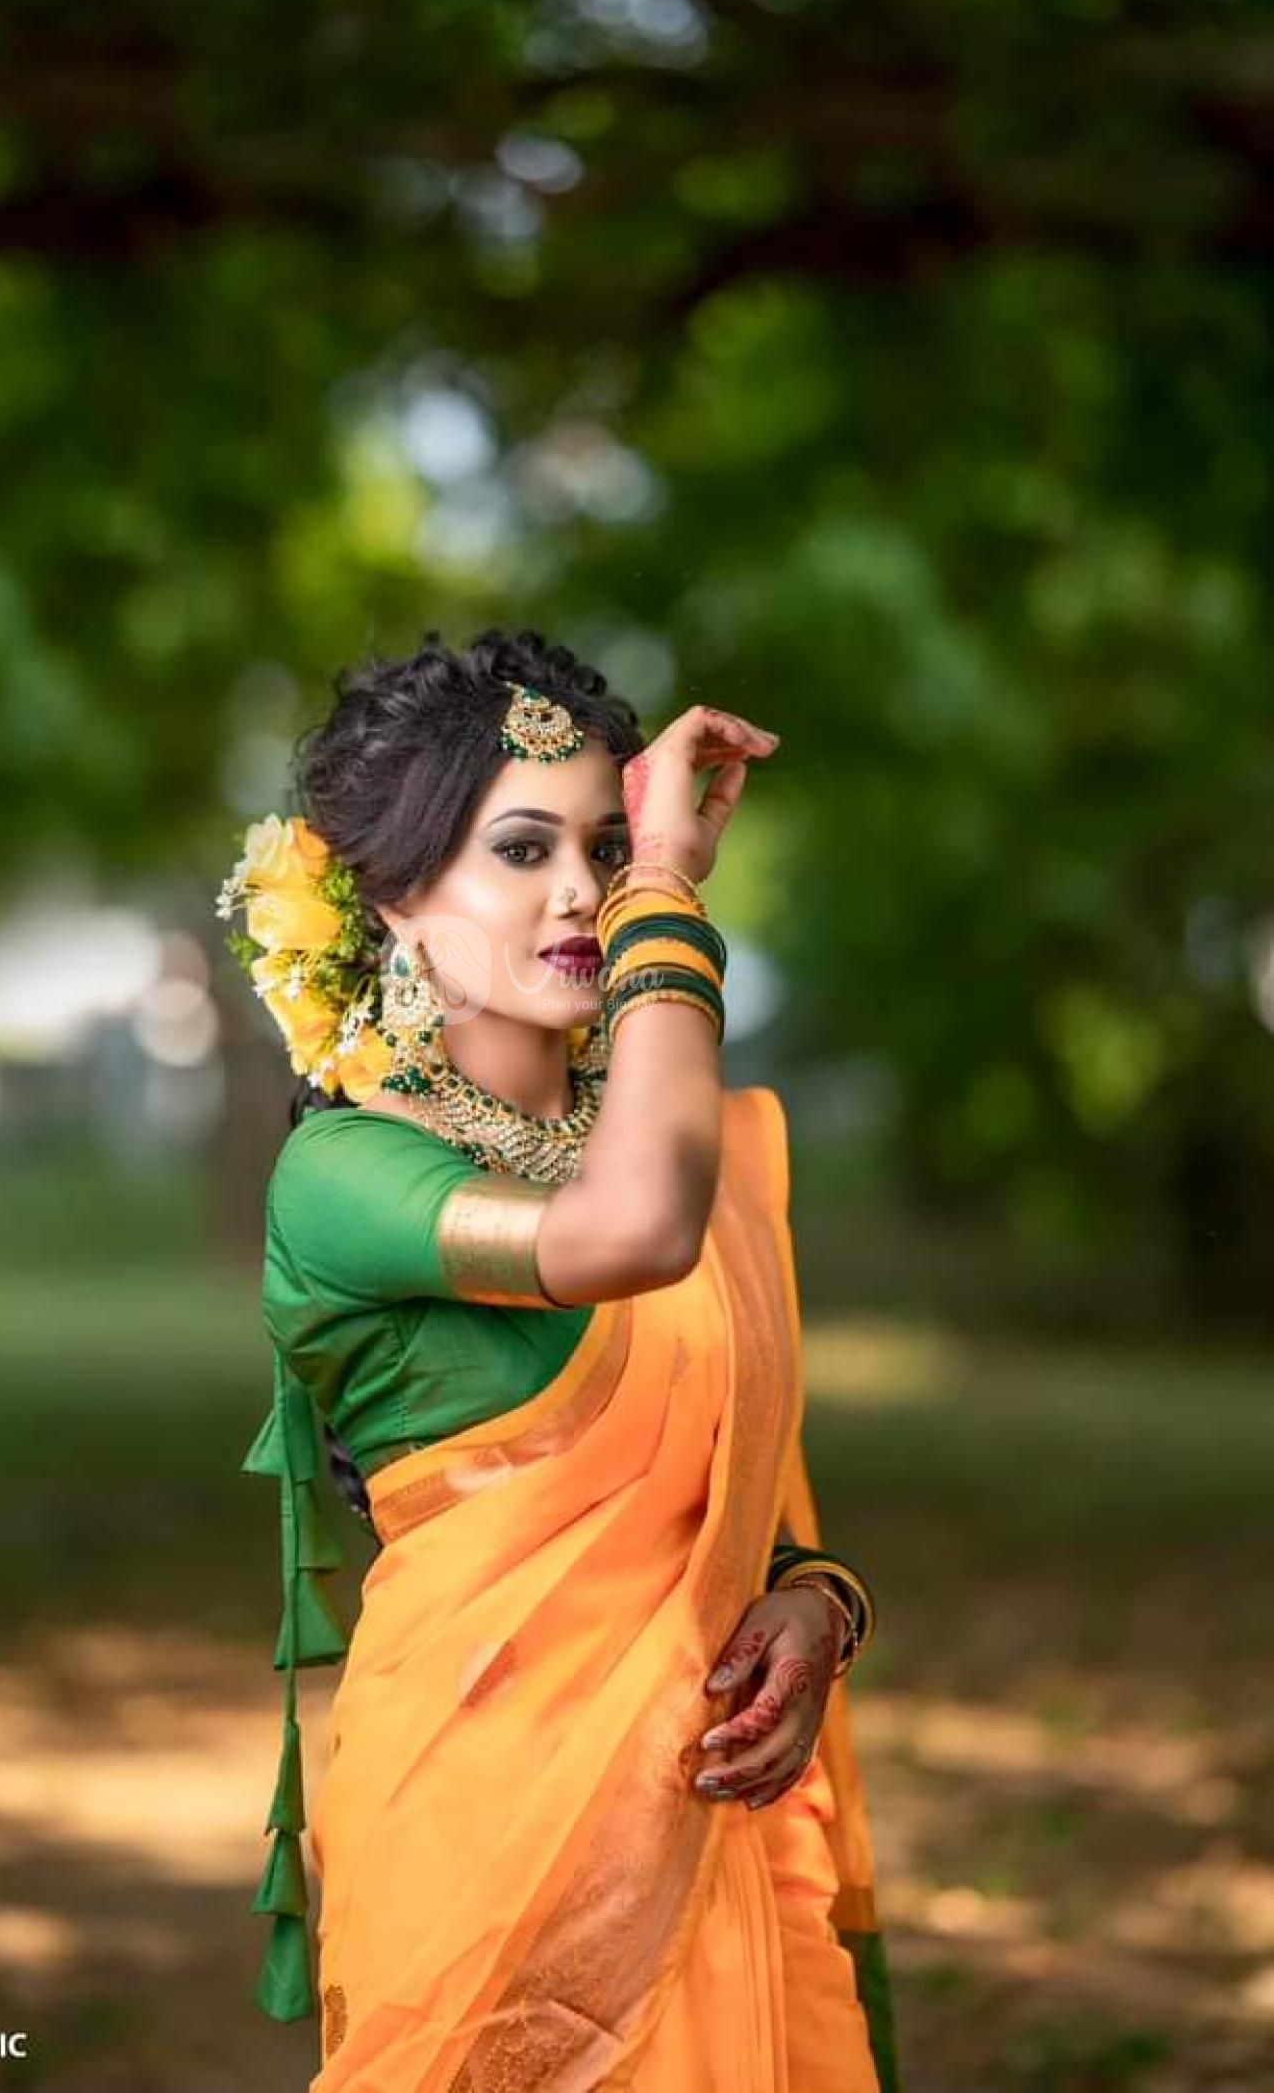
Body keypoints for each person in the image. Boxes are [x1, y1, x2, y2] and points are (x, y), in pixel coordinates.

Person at [222, 626, 900, 2092]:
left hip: (716, 1822)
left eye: (607, 847)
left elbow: (743, 1500)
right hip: (489, 1837)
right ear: (393, 901)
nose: (587, 892)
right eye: (522, 849)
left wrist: (815, 1609)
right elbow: (631, 1228)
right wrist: (671, 897)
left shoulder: (708, 1158)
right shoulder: (344, 1177)